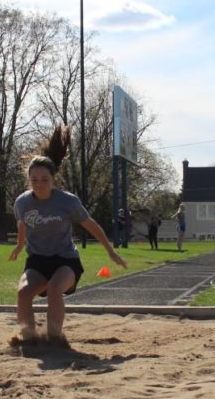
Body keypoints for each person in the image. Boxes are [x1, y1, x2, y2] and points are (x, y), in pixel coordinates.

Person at [9, 126, 127, 344]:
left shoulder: (67, 201)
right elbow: (22, 223)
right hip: (37, 260)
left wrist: (110, 251)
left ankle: (55, 338)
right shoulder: (22, 202)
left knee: (54, 289)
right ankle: (28, 337)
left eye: (44, 180)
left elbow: (91, 225)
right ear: (28, 180)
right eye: (34, 180)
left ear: (53, 179)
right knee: (23, 293)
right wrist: (19, 244)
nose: (39, 185)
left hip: (65, 260)